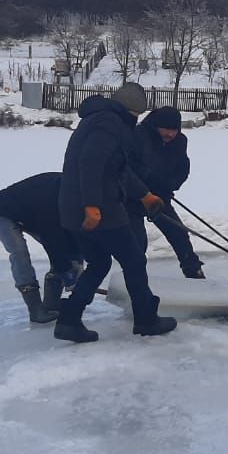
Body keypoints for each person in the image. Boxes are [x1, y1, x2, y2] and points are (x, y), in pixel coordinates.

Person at [55, 82, 177, 343]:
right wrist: (91, 205)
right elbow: (91, 163)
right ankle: (146, 319)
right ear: (132, 111)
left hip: (72, 208)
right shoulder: (110, 124)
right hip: (101, 208)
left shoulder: (99, 120)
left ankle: (69, 319)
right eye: (137, 115)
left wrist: (144, 195)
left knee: (99, 262)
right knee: (134, 260)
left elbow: (118, 169)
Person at [0, 172, 83, 323]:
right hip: (2, 213)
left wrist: (75, 262)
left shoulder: (77, 193)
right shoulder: (51, 202)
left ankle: (52, 304)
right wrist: (66, 270)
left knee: (67, 247)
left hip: (30, 213)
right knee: (20, 254)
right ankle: (35, 309)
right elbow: (53, 240)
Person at [129, 106, 206, 279]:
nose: (171, 135)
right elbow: (128, 167)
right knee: (137, 242)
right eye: (167, 130)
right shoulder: (137, 135)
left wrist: (171, 184)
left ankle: (193, 271)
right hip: (133, 198)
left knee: (178, 233)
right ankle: (136, 282)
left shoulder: (180, 141)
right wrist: (148, 181)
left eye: (175, 130)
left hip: (160, 198)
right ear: (156, 126)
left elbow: (182, 168)